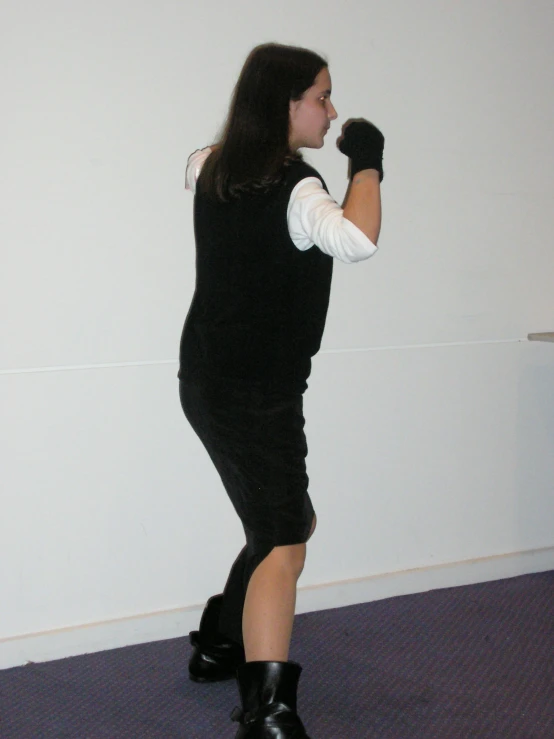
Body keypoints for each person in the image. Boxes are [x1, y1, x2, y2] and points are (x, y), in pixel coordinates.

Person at [178, 42, 384, 739]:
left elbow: (210, 172)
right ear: (285, 104)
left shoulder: (210, 166)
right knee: (283, 538)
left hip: (210, 378)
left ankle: (218, 637)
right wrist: (368, 159)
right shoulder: (300, 189)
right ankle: (266, 710)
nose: (331, 110)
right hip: (255, 390)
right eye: (321, 96)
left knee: (285, 524)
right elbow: (357, 238)